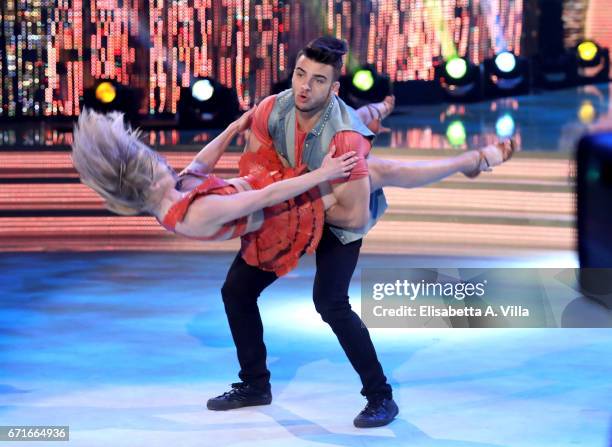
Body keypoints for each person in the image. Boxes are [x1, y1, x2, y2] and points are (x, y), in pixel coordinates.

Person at [71, 38, 514, 428]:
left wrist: (234, 126)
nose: (302, 85)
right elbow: (268, 198)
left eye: (315, 78)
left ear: (331, 85)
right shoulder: (195, 211)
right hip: (288, 211)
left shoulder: (174, 189)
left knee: (333, 293)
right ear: (142, 182)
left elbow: (201, 165)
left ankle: (380, 397)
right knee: (240, 290)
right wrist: (321, 174)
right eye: (300, 74)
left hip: (320, 210)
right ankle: (255, 384)